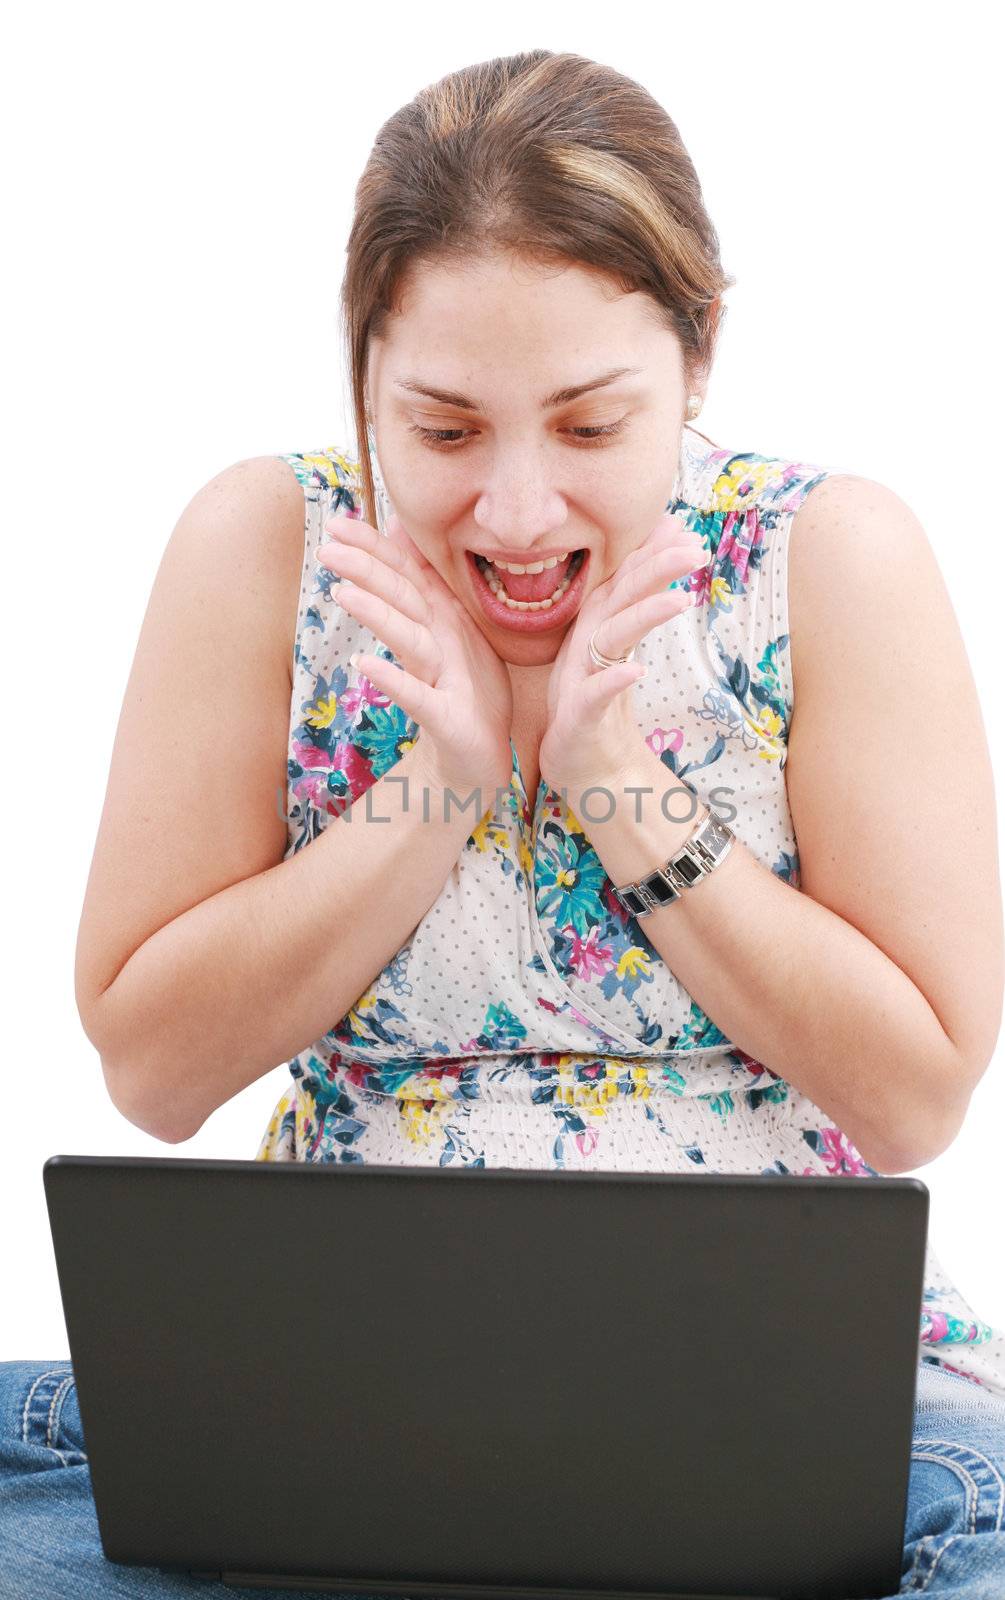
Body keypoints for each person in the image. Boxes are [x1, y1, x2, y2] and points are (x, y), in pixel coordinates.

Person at [3, 48, 1003, 1599]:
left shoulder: (828, 558)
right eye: (447, 432)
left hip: (776, 1415)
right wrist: (436, 792)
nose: (520, 516)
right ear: (361, 389)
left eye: (591, 428)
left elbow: (916, 1090)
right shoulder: (266, 544)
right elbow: (151, 1066)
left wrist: (615, 782)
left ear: (695, 361)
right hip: (335, 1407)